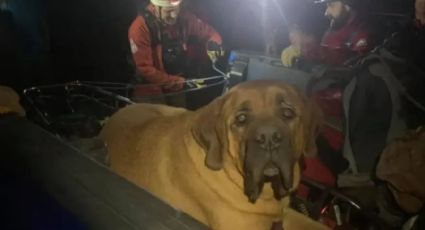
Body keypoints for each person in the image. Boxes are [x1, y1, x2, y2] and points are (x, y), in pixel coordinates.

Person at [129, 0, 223, 105]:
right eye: (168, 11)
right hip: (151, 91)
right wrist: (180, 83)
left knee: (179, 118)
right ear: (155, 8)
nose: (173, 15)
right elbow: (145, 69)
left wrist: (214, 44)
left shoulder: (184, 18)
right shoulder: (140, 28)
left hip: (176, 88)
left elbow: (210, 32)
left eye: (176, 9)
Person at [282, 0, 372, 67]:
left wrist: (304, 54)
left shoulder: (361, 36)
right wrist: (299, 49)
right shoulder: (332, 30)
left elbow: (347, 68)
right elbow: (323, 55)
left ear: (347, 4)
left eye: (331, 5)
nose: (326, 13)